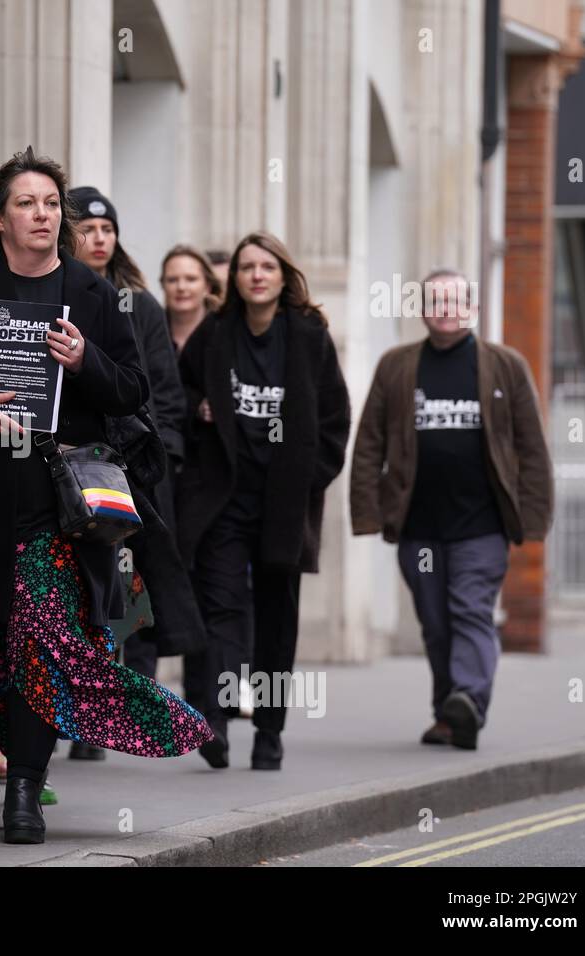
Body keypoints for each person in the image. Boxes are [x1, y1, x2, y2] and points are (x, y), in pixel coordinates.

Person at [0, 147, 214, 844]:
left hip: (59, 503)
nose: (41, 215)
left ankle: (26, 792)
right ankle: (28, 753)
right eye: (26, 204)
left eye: (50, 204)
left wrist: (86, 362)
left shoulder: (94, 294)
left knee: (41, 639)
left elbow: (134, 390)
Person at [350, 269, 553, 750]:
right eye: (435, 300)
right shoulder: (397, 366)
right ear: (423, 309)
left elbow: (532, 446)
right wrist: (368, 513)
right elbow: (369, 444)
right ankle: (451, 712)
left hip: (482, 526)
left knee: (470, 611)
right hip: (418, 525)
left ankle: (470, 697)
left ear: (472, 309)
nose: (445, 308)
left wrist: (533, 516)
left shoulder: (505, 365)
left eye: (455, 300)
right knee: (436, 624)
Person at [176, 231, 350, 771]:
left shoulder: (308, 336)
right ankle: (220, 721)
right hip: (224, 500)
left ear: (283, 276)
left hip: (283, 504)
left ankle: (270, 731)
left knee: (277, 619)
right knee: (221, 609)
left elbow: (334, 421)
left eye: (266, 267)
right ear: (235, 279)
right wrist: (200, 405)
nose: (255, 275)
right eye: (246, 267)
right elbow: (177, 392)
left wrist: (307, 481)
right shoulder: (216, 332)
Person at [65, 187, 194, 760]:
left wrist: (160, 454)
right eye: (88, 229)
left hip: (133, 470)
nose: (99, 239)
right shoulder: (60, 297)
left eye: (107, 229)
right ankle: (88, 713)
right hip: (73, 465)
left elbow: (163, 390)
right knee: (89, 591)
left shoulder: (139, 305)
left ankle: (135, 703)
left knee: (137, 590)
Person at [161, 244, 222, 355]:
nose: (181, 287)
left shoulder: (225, 331)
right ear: (163, 285)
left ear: (207, 286)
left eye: (191, 279)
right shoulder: (148, 332)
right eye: (172, 280)